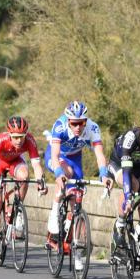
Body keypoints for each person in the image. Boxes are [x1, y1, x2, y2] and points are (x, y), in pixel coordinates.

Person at [45, 101, 113, 270]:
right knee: (65, 174)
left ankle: (76, 250)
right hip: (57, 157)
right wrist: (59, 174)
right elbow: (54, 155)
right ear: (68, 121)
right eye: (74, 123)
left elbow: (99, 154)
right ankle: (55, 213)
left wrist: (104, 175)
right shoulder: (59, 126)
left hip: (75, 159)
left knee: (78, 199)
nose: (78, 127)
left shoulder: (92, 128)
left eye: (81, 123)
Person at [0, 116, 48, 259]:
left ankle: (17, 208)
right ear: (9, 135)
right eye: (15, 137)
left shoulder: (29, 140)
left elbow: (36, 165)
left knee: (24, 176)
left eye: (22, 137)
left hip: (15, 162)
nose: (19, 140)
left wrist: (41, 181)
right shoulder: (0, 140)